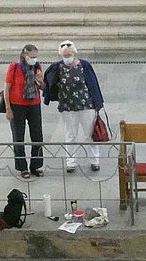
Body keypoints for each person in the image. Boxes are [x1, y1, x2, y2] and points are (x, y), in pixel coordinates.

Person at [43, 40, 106, 174]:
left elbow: (93, 84)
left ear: (74, 53)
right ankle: (70, 162)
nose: (67, 58)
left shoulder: (84, 65)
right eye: (64, 55)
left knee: (90, 133)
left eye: (69, 55)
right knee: (70, 135)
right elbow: (49, 82)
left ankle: (95, 161)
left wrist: (98, 103)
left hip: (86, 105)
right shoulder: (57, 67)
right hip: (68, 107)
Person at [4, 44, 44, 178]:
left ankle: (36, 165)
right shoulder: (14, 67)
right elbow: (7, 89)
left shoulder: (37, 67)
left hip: (34, 104)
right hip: (17, 105)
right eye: (32, 57)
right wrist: (8, 109)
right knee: (18, 137)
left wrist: (39, 80)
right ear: (24, 56)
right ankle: (22, 168)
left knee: (37, 136)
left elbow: (43, 87)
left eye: (36, 57)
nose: (34, 59)